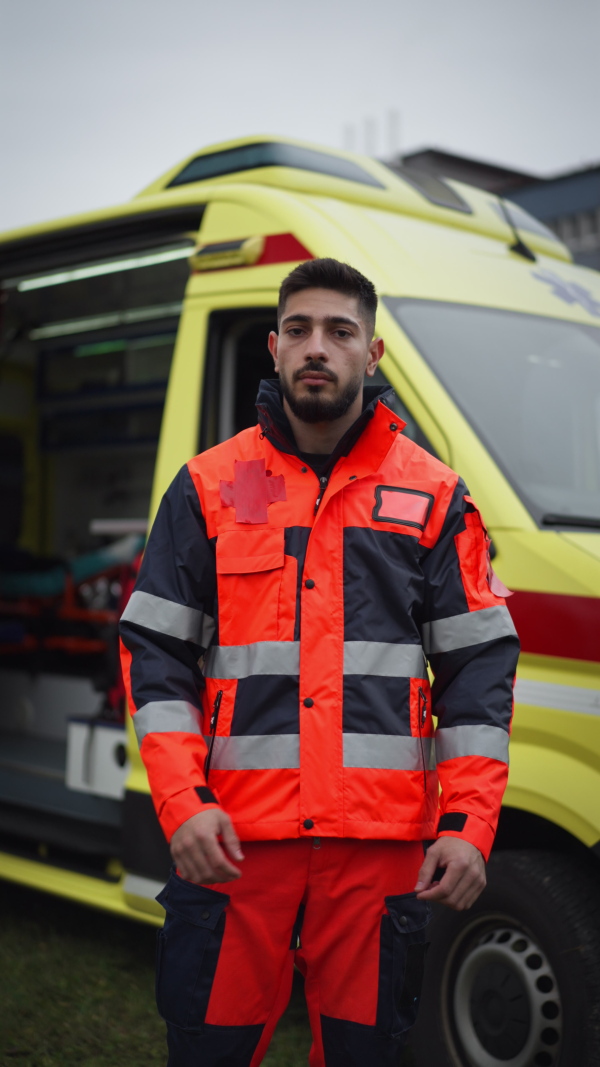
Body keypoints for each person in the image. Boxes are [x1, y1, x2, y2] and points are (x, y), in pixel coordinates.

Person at [119, 258, 520, 1067]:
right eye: (298, 329)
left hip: (376, 860)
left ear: (371, 356)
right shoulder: (208, 486)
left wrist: (470, 825)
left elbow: (477, 672)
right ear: (272, 347)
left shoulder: (436, 497)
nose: (317, 346)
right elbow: (157, 652)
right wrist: (181, 802)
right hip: (234, 844)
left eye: (340, 331)